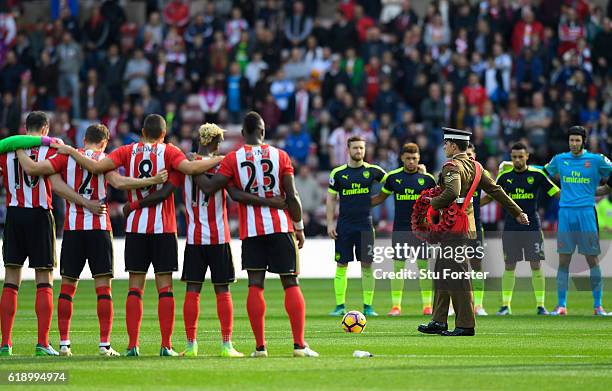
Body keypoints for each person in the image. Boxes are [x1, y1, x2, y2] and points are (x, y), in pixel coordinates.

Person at [54, 114, 222, 356]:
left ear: (142, 131)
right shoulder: (170, 151)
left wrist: (71, 151)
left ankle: (133, 346)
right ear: (163, 134)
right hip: (163, 228)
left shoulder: (127, 150)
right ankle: (166, 346)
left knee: (135, 288)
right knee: (165, 288)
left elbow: (97, 167)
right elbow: (190, 168)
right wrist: (221, 159)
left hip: (135, 228)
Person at [124, 123, 287, 358]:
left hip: (194, 237)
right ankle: (226, 345)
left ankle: (191, 345)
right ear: (215, 142)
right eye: (219, 143)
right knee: (223, 291)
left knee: (193, 291)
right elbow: (225, 190)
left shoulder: (185, 165)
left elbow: (165, 191)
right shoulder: (223, 164)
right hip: (219, 237)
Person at [15, 123, 167, 356]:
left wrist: (17, 147)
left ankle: (64, 343)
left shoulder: (66, 156)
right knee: (103, 288)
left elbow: (53, 183)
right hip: (99, 228)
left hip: (74, 229)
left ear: (84, 138)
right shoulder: (104, 159)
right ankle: (104, 344)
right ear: (104, 142)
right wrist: (152, 180)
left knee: (67, 288)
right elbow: (119, 183)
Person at [191, 112, 318, 358]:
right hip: (281, 227)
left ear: (242, 134)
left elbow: (214, 189)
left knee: (255, 285)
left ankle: (260, 347)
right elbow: (292, 196)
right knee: (290, 282)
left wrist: (194, 162)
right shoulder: (280, 156)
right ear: (263, 131)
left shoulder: (232, 159)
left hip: (251, 231)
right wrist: (299, 225)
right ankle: (299, 346)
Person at [0, 112, 103, 356]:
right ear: (45, 129)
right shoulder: (52, 150)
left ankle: (5, 344)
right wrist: (85, 203)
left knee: (11, 280)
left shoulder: (7, 150)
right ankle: (42, 343)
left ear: (26, 129)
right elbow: (57, 186)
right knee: (44, 280)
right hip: (40, 216)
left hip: (14, 216)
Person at [417, 128, 527, 337]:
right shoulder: (476, 167)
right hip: (466, 226)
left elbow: (451, 192)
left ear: (454, 146)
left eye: (446, 143)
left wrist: (429, 202)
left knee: (458, 275)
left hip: (453, 227)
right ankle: (439, 320)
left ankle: (466, 324)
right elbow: (496, 190)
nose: (444, 147)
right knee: (442, 271)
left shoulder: (451, 166)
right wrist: (517, 211)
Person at [481, 142, 559, 315]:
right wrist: (471, 205)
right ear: (511, 158)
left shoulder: (537, 175)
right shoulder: (504, 177)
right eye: (514, 157)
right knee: (509, 265)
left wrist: (575, 198)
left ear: (527, 156)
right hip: (511, 227)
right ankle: (505, 306)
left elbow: (555, 192)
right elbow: (491, 197)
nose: (517, 160)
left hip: (532, 226)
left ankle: (540, 306)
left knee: (536, 264)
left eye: (520, 156)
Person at [543, 126, 612, 316]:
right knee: (564, 260)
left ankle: (598, 306)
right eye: (571, 140)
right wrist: (555, 192)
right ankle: (561, 306)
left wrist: (603, 190)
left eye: (577, 140)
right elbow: (542, 175)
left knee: (592, 260)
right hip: (565, 213)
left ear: (583, 141)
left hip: (587, 213)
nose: (574, 143)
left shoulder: (596, 160)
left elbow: (610, 175)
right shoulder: (560, 159)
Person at [370, 143, 436, 316]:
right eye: (408, 158)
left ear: (419, 159)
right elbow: (380, 198)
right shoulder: (393, 178)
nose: (411, 162)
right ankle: (396, 307)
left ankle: (427, 306)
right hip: (400, 229)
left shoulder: (428, 180)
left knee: (423, 268)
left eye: (414, 158)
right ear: (402, 159)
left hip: (422, 230)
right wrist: (358, 203)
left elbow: (439, 202)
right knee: (398, 268)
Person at [327, 136, 386, 317]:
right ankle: (339, 306)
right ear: (348, 150)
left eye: (361, 148)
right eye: (355, 148)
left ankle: (368, 306)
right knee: (341, 264)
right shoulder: (338, 173)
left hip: (365, 225)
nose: (359, 151)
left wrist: (375, 201)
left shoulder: (373, 171)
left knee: (367, 265)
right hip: (344, 225)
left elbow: (392, 183)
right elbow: (331, 199)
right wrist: (330, 223)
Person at [465, 143, 488, 316]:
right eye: (466, 155)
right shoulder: (451, 174)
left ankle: (478, 305)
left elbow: (496, 190)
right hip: (455, 228)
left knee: (476, 265)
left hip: (475, 226)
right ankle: (453, 305)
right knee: (454, 267)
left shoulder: (480, 175)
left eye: (471, 155)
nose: (469, 158)